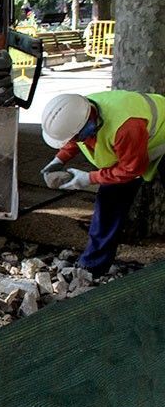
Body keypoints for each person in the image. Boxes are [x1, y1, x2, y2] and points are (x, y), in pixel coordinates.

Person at [40, 91, 165, 276]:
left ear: (87, 125)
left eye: (75, 136)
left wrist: (89, 178)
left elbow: (132, 170)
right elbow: (74, 140)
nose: (75, 140)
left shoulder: (125, 126)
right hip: (132, 146)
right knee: (108, 206)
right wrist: (58, 160)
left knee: (112, 197)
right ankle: (92, 268)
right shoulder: (80, 110)